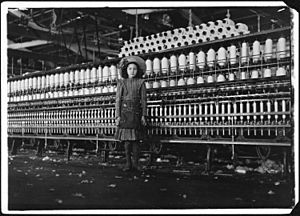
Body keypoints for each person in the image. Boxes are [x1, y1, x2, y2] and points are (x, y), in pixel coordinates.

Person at [115, 56, 147, 172]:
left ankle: (136, 164)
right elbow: (118, 100)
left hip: (136, 113)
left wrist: (144, 115)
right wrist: (117, 116)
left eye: (134, 69)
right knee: (127, 142)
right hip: (125, 113)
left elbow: (144, 100)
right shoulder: (121, 83)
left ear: (138, 70)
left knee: (136, 141)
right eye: (130, 69)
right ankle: (128, 164)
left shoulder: (141, 82)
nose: (132, 71)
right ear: (126, 70)